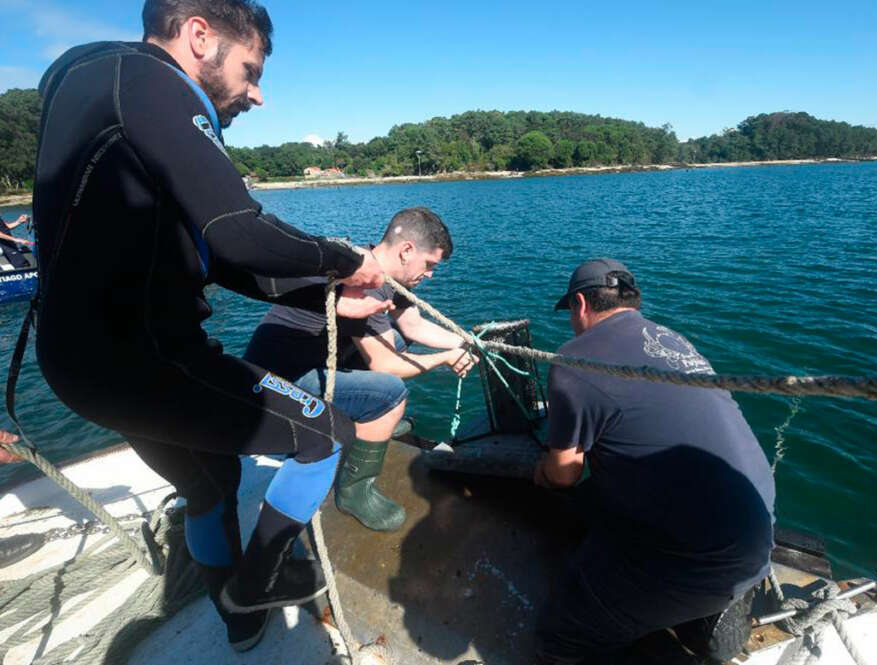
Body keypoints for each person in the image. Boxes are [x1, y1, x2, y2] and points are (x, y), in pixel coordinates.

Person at [30, 0, 387, 652]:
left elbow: (216, 256)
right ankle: (255, 584)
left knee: (209, 481)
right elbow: (241, 233)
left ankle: (240, 622)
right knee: (325, 437)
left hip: (87, 364)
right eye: (251, 70)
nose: (258, 94)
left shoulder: (101, 95)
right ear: (198, 34)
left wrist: (327, 296)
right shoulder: (149, 83)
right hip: (143, 357)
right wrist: (347, 258)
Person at [532, 258, 775, 665]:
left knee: (562, 638)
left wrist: (540, 469)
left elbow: (565, 474)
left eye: (571, 313)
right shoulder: (675, 340)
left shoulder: (575, 360)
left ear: (580, 304)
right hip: (757, 531)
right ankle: (704, 614)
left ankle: (672, 620)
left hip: (698, 562)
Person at [244, 207, 478, 531]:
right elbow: (385, 365)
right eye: (429, 265)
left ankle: (362, 426)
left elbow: (412, 326)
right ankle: (354, 492)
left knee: (395, 340)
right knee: (391, 396)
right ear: (407, 250)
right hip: (275, 382)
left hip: (302, 364)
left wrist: (469, 342)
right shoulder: (364, 283)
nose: (431, 275)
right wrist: (444, 358)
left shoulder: (375, 270)